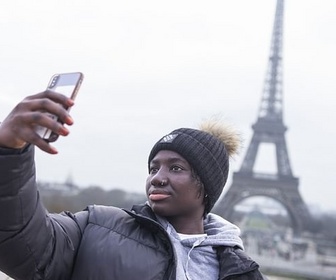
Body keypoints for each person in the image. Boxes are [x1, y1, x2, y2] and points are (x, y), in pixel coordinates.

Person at [0, 91, 265, 279]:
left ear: (207, 185)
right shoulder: (96, 228)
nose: (157, 177)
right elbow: (21, 240)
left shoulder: (242, 271)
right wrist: (8, 150)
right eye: (153, 168)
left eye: (175, 168)